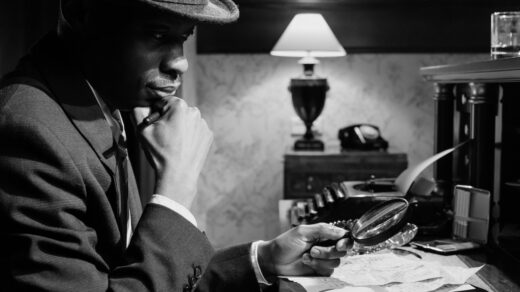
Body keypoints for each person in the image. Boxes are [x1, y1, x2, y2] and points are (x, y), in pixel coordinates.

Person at [0, 0, 351, 291]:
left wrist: (261, 259)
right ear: (82, 13)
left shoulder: (104, 103)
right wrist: (176, 189)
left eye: (184, 38)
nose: (179, 62)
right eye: (157, 35)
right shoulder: (27, 132)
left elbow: (132, 276)